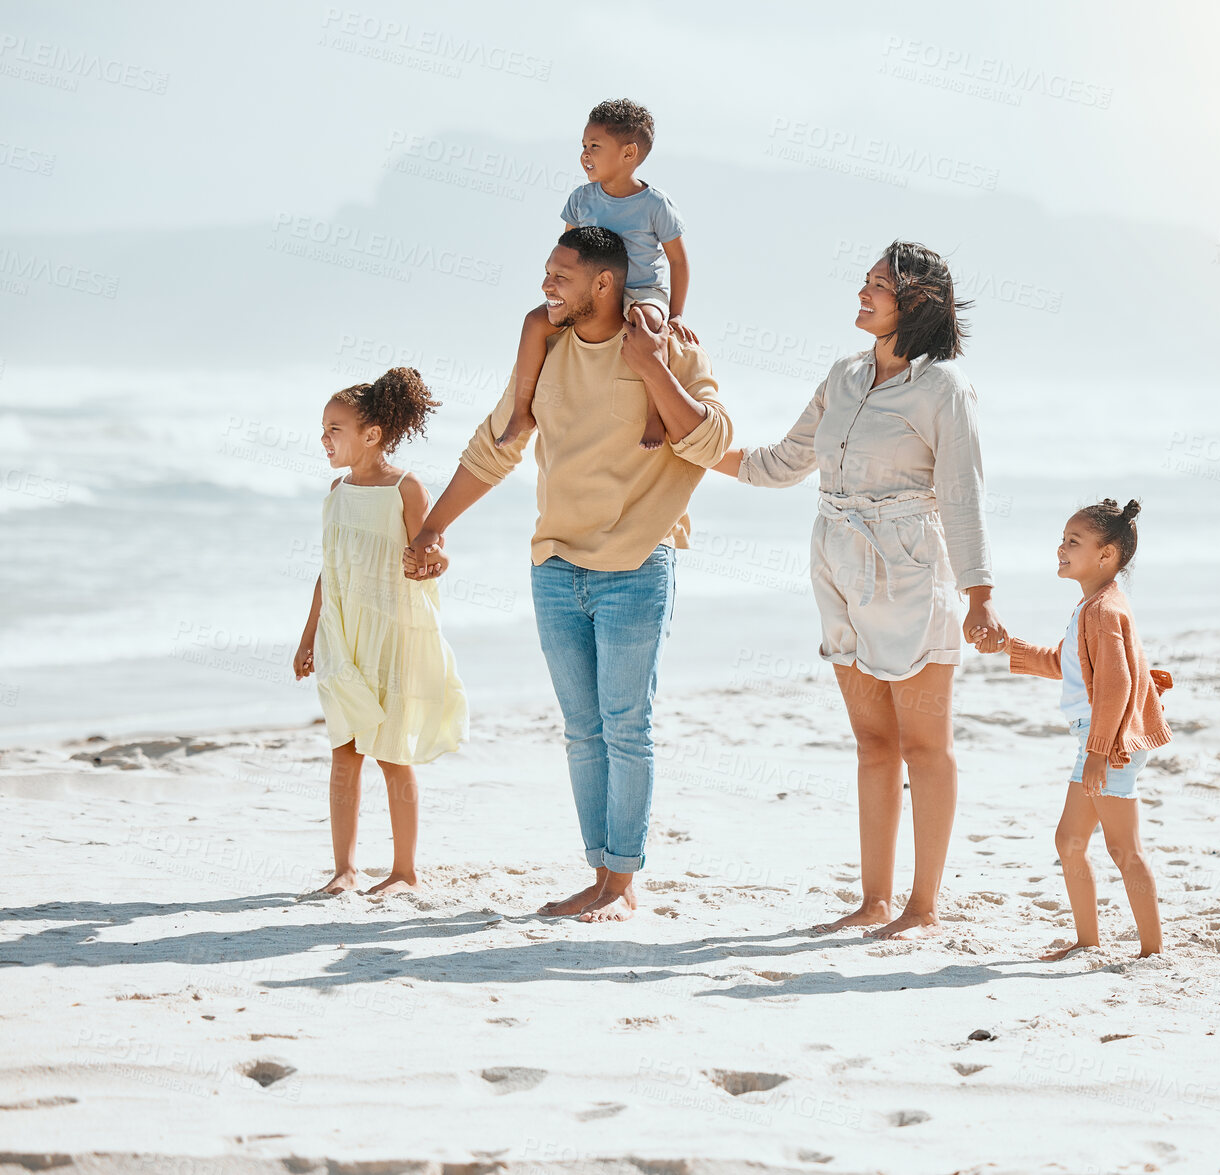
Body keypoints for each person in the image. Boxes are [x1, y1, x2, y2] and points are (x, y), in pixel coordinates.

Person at [404, 226, 732, 923]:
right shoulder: (546, 349)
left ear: (604, 283)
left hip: (637, 564)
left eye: (561, 275)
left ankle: (622, 882)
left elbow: (709, 440)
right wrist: (433, 525)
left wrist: (652, 367)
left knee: (626, 727)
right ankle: (601, 873)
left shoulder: (670, 346)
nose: (548, 286)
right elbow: (496, 448)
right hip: (555, 566)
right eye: (548, 273)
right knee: (582, 731)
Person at [709, 241, 1006, 941]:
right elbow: (781, 463)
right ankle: (874, 901)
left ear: (918, 303)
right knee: (873, 742)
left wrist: (979, 593)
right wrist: (686, 449)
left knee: (924, 744)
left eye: (878, 285)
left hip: (909, 564)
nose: (864, 292)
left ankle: (922, 906)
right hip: (835, 561)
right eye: (868, 280)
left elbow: (963, 494)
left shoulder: (944, 388)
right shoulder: (843, 376)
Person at [293, 367, 468, 896]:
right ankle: (345, 869)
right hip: (342, 633)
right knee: (344, 750)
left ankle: (404, 871)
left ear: (371, 434)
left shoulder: (405, 486)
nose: (324, 438)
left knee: (392, 752)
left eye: (334, 428)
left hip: (394, 635)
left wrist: (434, 561)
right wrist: (308, 637)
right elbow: (331, 569)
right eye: (323, 428)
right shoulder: (337, 490)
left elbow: (429, 551)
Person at [989, 499, 1173, 960]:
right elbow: (1070, 665)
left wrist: (1097, 751)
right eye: (1062, 539)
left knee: (1122, 848)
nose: (1061, 548)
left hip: (1109, 743)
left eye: (1074, 542)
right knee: (1069, 842)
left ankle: (1152, 952)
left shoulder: (1103, 611)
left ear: (1106, 555)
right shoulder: (1092, 606)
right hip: (1096, 740)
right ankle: (1087, 942)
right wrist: (1013, 649)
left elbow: (1116, 684)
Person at [496, 99, 695, 452]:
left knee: (645, 324)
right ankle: (520, 412)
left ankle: (654, 413)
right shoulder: (580, 199)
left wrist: (675, 313)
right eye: (583, 146)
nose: (585, 154)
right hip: (589, 292)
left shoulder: (654, 205)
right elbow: (567, 250)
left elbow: (678, 261)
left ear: (629, 153)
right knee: (534, 322)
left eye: (595, 147)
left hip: (639, 289)